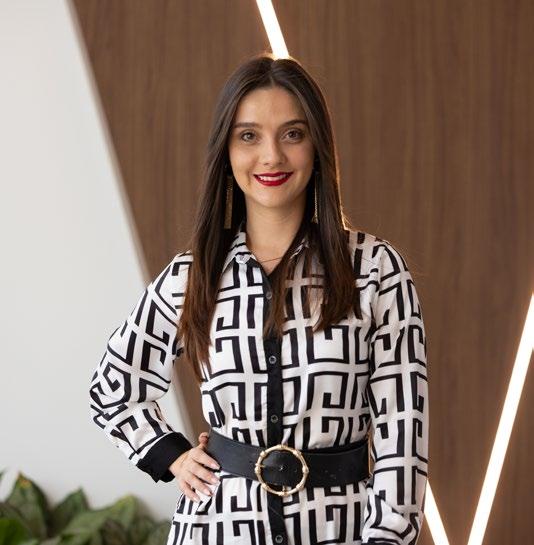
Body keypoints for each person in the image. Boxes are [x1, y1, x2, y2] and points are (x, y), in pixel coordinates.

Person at [88, 52, 429, 545]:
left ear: (317, 145)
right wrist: (171, 455)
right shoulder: (194, 275)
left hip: (340, 529)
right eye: (249, 136)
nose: (271, 156)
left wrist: (387, 537)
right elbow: (113, 387)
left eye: (292, 134)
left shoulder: (375, 270)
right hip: (217, 528)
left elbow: (404, 430)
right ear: (226, 150)